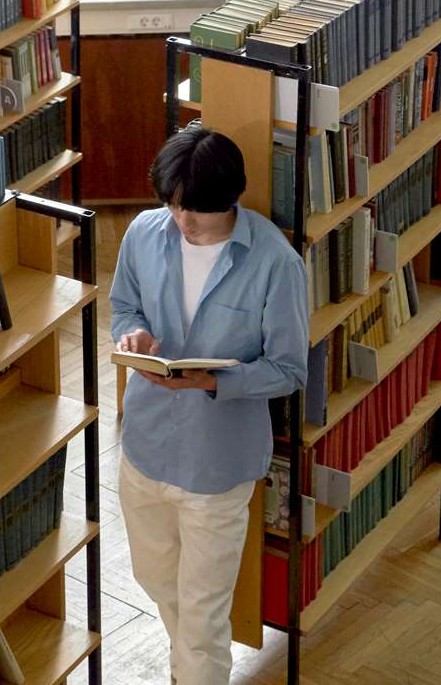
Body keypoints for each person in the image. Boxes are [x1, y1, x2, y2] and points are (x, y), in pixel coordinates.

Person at [110, 125, 309, 685]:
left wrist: (213, 382)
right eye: (174, 207)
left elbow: (290, 370)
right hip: (145, 447)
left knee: (202, 613)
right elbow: (125, 306)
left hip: (217, 465)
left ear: (231, 200)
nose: (183, 222)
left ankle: (194, 672)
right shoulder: (144, 235)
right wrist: (133, 337)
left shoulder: (275, 264)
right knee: (155, 580)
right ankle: (187, 669)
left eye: (196, 211)